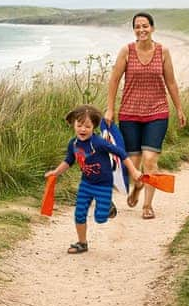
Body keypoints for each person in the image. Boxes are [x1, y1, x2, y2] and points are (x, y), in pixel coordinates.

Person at [105, 12, 185, 220]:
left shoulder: (163, 52)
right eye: (137, 26)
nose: (141, 30)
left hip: (157, 112)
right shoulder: (127, 51)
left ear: (153, 28)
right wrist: (110, 109)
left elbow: (172, 83)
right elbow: (113, 81)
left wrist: (179, 108)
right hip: (129, 114)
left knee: (149, 161)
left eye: (145, 26)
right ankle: (138, 186)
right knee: (133, 162)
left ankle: (147, 206)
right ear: (134, 30)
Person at [44, 104, 143, 254]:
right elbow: (68, 161)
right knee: (79, 212)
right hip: (86, 183)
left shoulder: (98, 143)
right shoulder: (73, 144)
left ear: (94, 127)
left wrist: (134, 171)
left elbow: (121, 154)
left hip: (103, 184)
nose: (83, 129)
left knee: (100, 217)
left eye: (87, 126)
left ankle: (108, 207)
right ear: (73, 124)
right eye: (79, 125)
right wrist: (56, 172)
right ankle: (82, 243)